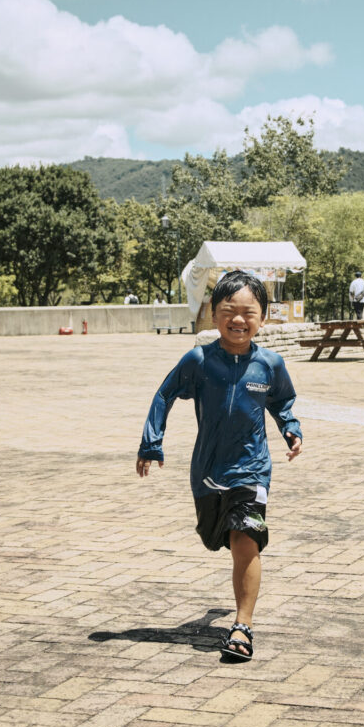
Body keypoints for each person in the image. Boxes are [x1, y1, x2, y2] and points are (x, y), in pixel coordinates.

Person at [136, 270, 302, 662]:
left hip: (253, 470)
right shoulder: (199, 361)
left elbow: (282, 402)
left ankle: (242, 628)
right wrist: (151, 442)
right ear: (214, 314)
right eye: (229, 310)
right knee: (219, 537)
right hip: (208, 472)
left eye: (249, 312)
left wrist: (290, 430)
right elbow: (165, 394)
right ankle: (227, 606)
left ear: (263, 317)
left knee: (246, 539)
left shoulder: (271, 365)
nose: (239, 320)